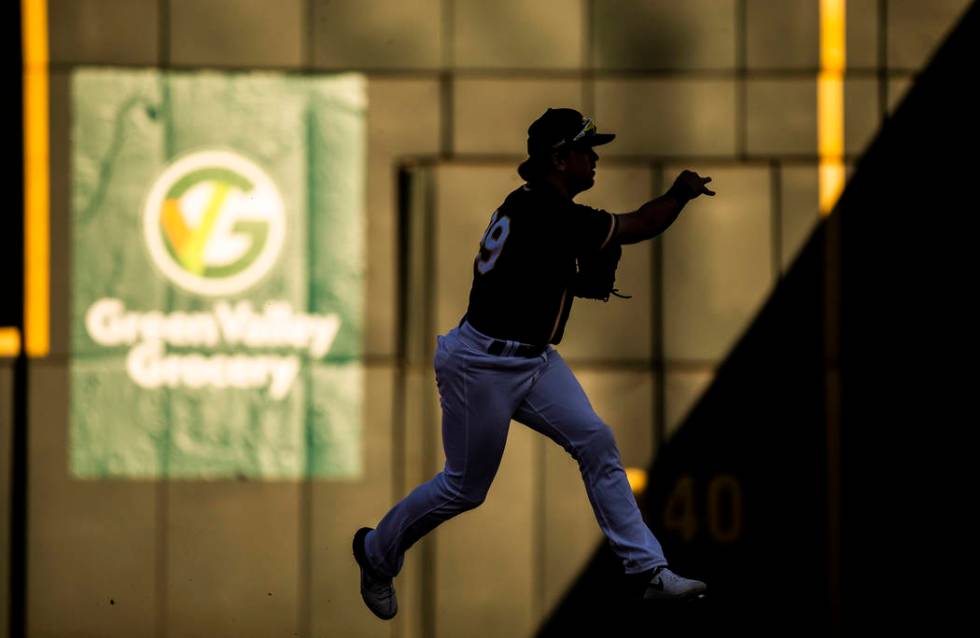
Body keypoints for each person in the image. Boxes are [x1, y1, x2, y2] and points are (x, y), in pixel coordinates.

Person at [353, 108, 716, 620]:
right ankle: (375, 553)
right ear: (558, 158)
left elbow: (544, 278)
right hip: (480, 364)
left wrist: (573, 278)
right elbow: (642, 224)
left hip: (534, 361)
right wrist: (679, 193)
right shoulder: (548, 212)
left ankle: (648, 571)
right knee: (464, 487)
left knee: (596, 440)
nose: (594, 159)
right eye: (586, 150)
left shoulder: (536, 208)